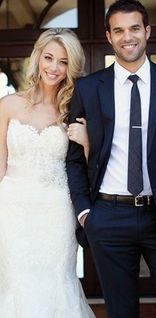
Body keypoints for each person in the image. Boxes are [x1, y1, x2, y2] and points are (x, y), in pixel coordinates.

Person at [66, 1, 156, 317]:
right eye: (118, 30)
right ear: (108, 36)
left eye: (134, 28)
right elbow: (74, 160)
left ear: (147, 31)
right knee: (120, 312)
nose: (127, 37)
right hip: (108, 216)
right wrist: (86, 213)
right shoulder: (88, 88)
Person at [0, 28, 95, 318]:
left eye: (63, 62)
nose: (54, 67)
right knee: (17, 282)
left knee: (57, 282)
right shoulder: (8, 105)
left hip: (56, 210)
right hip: (12, 208)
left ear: (71, 67)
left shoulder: (75, 110)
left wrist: (87, 140)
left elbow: (91, 167)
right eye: (49, 58)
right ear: (38, 58)